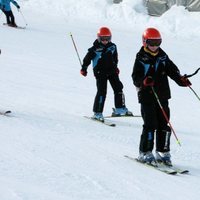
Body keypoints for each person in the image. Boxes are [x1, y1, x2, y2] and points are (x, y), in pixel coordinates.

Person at [131, 27, 191, 166]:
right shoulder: (141, 58)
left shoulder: (163, 56)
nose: (155, 46)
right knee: (150, 124)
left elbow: (172, 71)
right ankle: (145, 152)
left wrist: (181, 80)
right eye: (151, 43)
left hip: (162, 95)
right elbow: (136, 77)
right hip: (147, 96)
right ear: (145, 42)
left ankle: (162, 151)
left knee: (164, 123)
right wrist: (144, 81)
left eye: (158, 42)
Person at [80, 26, 132, 121]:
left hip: (112, 71)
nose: (105, 41)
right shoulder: (94, 49)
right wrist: (84, 68)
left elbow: (115, 58)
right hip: (100, 73)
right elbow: (87, 59)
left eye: (107, 39)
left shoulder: (113, 46)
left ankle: (119, 108)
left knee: (118, 88)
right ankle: (97, 113)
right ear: (98, 38)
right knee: (102, 91)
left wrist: (116, 67)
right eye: (102, 39)